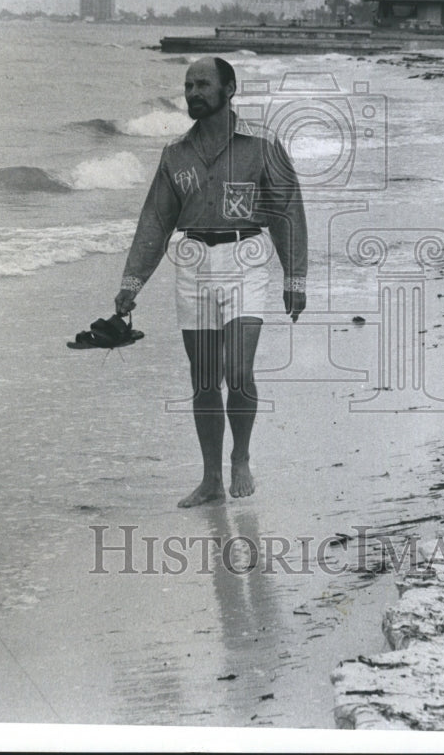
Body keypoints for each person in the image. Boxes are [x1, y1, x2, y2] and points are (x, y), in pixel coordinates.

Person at [114, 56, 307, 507]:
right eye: (188, 85)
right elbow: (155, 223)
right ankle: (210, 480)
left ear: (230, 89)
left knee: (238, 373)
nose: (193, 92)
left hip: (246, 260)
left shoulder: (262, 145)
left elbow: (287, 210)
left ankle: (240, 457)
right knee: (204, 381)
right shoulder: (175, 154)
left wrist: (294, 277)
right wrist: (131, 283)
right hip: (193, 265)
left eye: (203, 84)